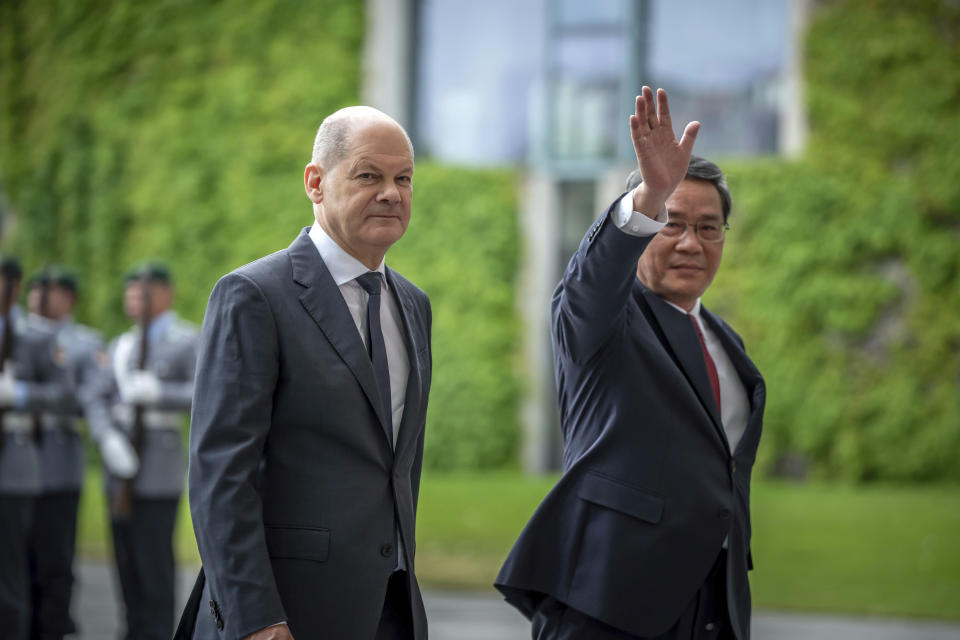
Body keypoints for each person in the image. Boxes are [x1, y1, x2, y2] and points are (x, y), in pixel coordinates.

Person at [495, 87, 766, 639]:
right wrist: (650, 196)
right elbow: (591, 281)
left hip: (713, 604)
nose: (690, 243)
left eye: (708, 227)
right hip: (610, 601)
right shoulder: (602, 321)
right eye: (672, 223)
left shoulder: (724, 341)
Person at [176, 106, 432, 640]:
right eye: (369, 175)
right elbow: (221, 476)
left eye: (403, 178)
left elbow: (396, 467)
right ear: (316, 182)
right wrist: (256, 617)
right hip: (284, 615)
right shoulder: (253, 296)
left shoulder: (412, 304)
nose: (392, 192)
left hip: (389, 609)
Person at [85, 263, 199, 640]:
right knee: (126, 566)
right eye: (130, 292)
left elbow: (203, 393)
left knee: (154, 569)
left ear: (165, 293)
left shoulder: (185, 340)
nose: (133, 300)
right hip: (120, 469)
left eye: (142, 292)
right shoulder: (122, 345)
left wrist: (159, 394)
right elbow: (96, 396)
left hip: (157, 471)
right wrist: (105, 437)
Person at [25, 267, 104, 640]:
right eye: (36, 290)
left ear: (68, 298)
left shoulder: (85, 343)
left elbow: (89, 394)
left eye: (50, 291)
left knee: (55, 559)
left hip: (58, 464)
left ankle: (54, 627)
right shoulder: (16, 336)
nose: (40, 297)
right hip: (17, 466)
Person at [0, 257, 68, 639]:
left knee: (10, 571)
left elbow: (63, 394)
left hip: (13, 467)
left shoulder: (35, 337)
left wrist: (20, 393)